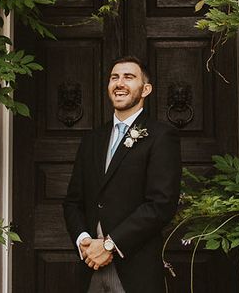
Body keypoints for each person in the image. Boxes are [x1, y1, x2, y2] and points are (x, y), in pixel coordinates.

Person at [63, 56, 182, 293]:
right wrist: (83, 240)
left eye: (129, 77)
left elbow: (161, 205)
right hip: (89, 269)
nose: (119, 83)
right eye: (114, 77)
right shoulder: (92, 139)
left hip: (135, 269)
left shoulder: (161, 136)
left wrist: (109, 245)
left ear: (145, 89)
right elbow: (73, 202)